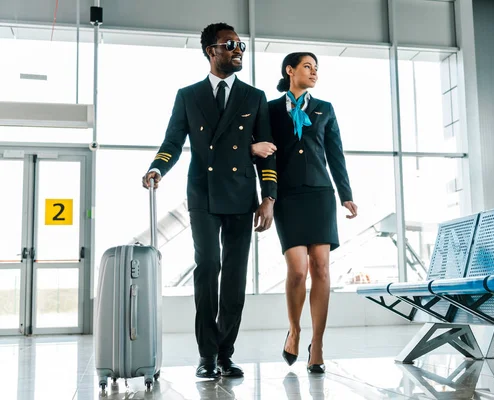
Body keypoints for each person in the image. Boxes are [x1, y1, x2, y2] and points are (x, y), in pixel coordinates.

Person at [142, 22, 277, 379]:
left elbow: (268, 152)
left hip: (241, 194)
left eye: (241, 45)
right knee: (208, 269)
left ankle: (225, 354)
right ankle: (206, 355)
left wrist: (269, 199)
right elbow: (173, 142)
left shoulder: (254, 96)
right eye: (230, 44)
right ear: (210, 50)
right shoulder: (189, 95)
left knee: (234, 276)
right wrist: (157, 169)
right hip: (202, 192)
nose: (238, 50)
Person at [252, 52, 358, 373]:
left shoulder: (325, 109)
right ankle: (295, 331)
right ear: (290, 71)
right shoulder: (269, 110)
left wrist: (346, 195)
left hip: (320, 194)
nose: (314, 73)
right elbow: (266, 156)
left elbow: (335, 154)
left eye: (316, 69)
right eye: (307, 67)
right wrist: (267, 195)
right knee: (298, 270)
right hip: (287, 197)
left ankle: (319, 344)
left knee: (322, 269)